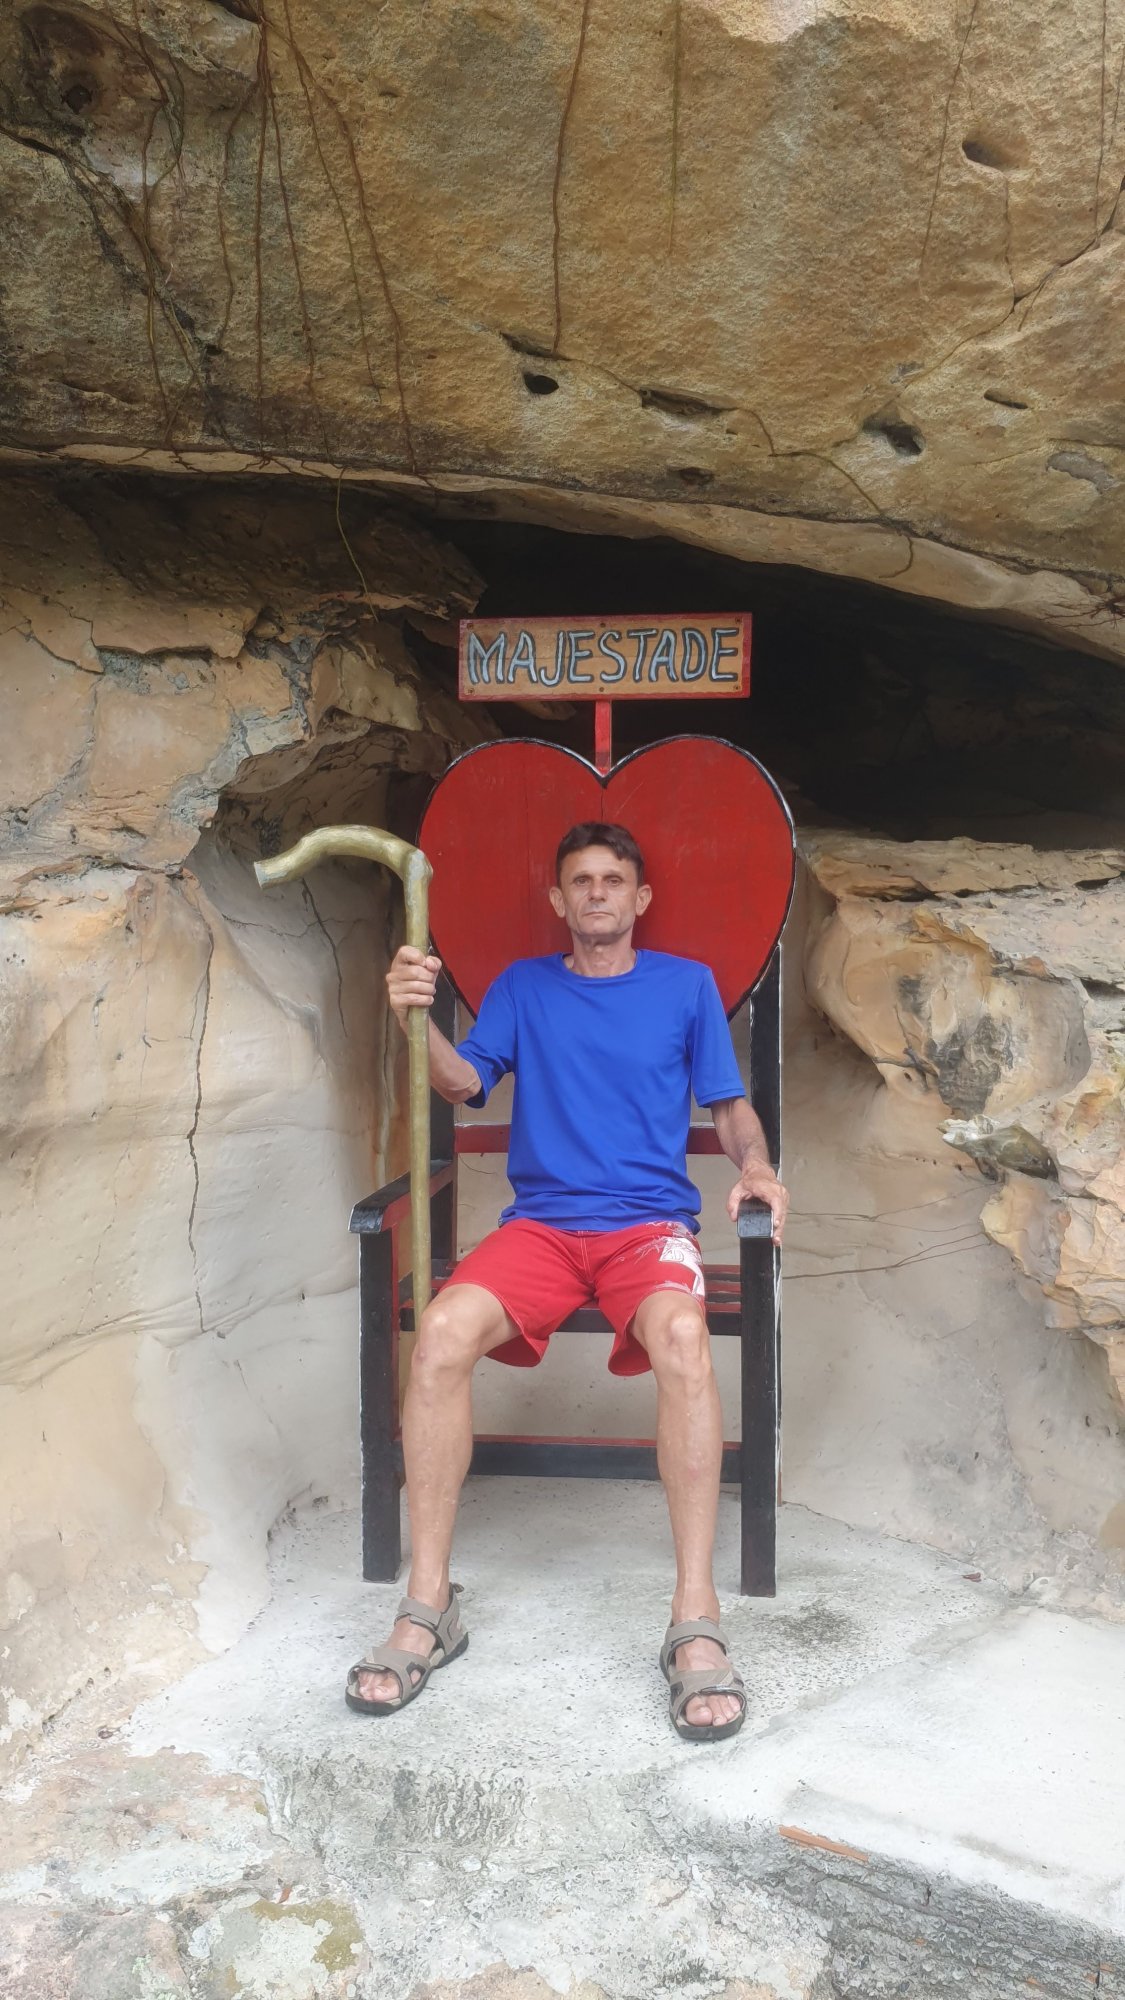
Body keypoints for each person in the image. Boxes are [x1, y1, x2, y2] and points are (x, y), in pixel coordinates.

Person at [345, 821, 789, 1742]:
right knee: (439, 1335)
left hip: (646, 1230)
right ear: (557, 899)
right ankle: (429, 1603)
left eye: (612, 879)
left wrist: (756, 1168)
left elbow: (728, 1107)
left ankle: (694, 1613)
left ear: (640, 898)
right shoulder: (523, 986)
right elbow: (461, 1083)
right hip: (542, 1229)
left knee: (683, 1339)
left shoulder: (684, 986)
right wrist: (413, 1018)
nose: (595, 893)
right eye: (579, 880)